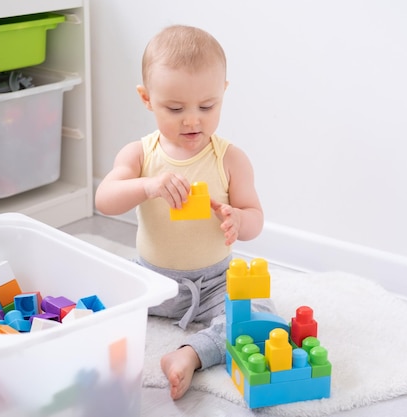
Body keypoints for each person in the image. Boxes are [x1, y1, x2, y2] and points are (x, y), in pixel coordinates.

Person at [95, 25, 275, 400]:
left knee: (257, 317)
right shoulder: (140, 154)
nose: (192, 120)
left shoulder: (230, 159)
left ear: (223, 92)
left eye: (207, 107)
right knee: (96, 300)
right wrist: (149, 186)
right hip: (151, 277)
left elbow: (255, 217)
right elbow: (105, 198)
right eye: (175, 109)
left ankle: (190, 354)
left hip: (214, 282)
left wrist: (239, 220)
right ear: (147, 99)